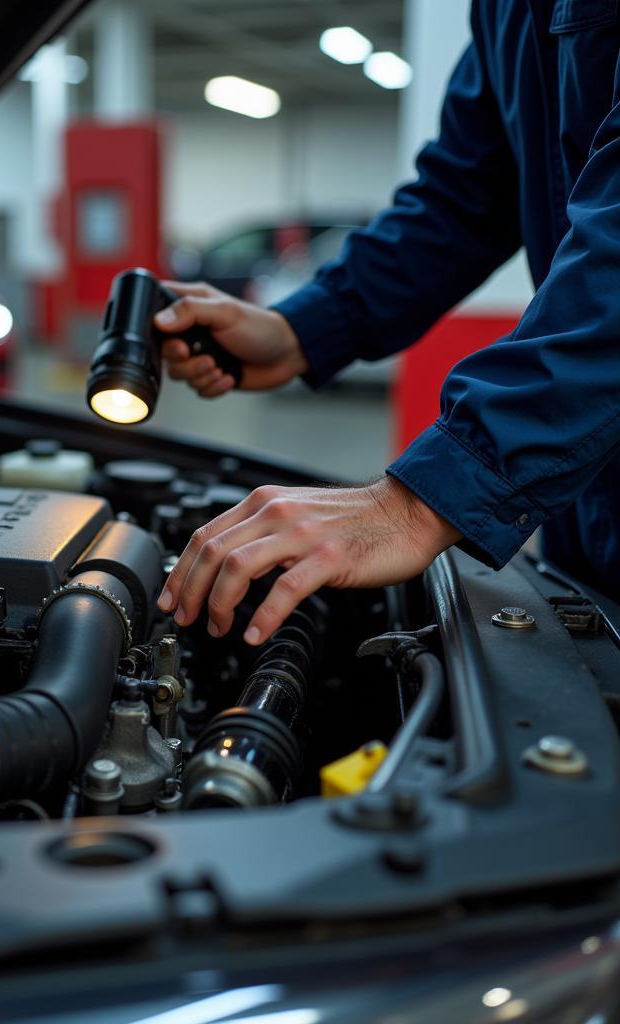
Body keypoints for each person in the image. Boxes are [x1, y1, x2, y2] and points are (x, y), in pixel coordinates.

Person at [154, 0, 620, 646]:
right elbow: (461, 199)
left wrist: (417, 504)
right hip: (590, 496)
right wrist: (301, 330)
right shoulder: (505, 8)